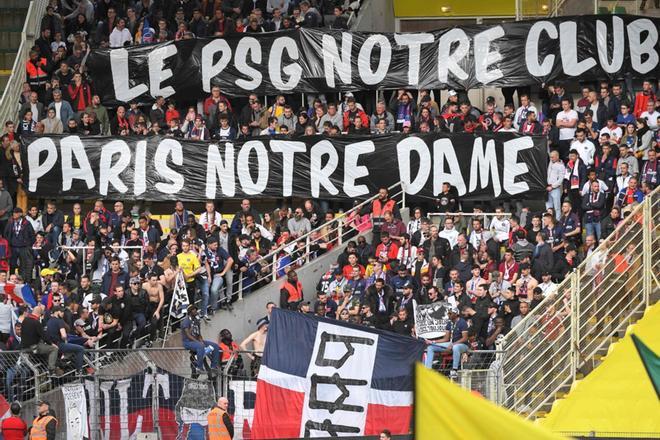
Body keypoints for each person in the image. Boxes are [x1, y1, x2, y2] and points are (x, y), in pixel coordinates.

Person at [423, 306, 468, 379]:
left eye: (450, 313)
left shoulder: (462, 322)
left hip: (463, 345)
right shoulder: (449, 323)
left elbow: (465, 338)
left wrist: (453, 344)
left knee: (456, 347)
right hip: (451, 343)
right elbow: (446, 339)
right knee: (430, 347)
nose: (448, 315)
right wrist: (433, 341)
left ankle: (454, 370)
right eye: (448, 313)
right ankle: (428, 370)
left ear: (456, 314)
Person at [181, 305, 220, 373]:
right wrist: (198, 342)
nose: (196, 311)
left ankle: (213, 366)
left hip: (197, 341)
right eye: (193, 309)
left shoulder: (196, 320)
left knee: (215, 346)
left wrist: (201, 340)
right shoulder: (186, 321)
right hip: (187, 342)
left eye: (196, 309)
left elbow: (199, 333)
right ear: (190, 312)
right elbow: (188, 335)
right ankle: (199, 368)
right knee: (200, 346)